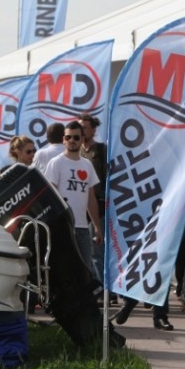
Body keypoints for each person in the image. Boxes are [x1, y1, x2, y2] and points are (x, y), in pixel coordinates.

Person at [45, 121, 103, 277]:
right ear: (63, 139)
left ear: (82, 138)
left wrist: (97, 227)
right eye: (68, 137)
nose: (72, 140)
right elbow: (49, 195)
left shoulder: (87, 165)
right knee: (64, 270)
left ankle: (84, 302)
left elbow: (91, 198)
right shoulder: (56, 163)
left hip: (83, 227)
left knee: (86, 270)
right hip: (64, 227)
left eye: (76, 137)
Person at [78, 114, 107, 286]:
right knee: (84, 251)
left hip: (98, 204)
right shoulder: (77, 152)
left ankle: (103, 289)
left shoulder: (101, 150)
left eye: (85, 128)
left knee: (98, 249)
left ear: (93, 129)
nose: (82, 132)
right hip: (80, 206)